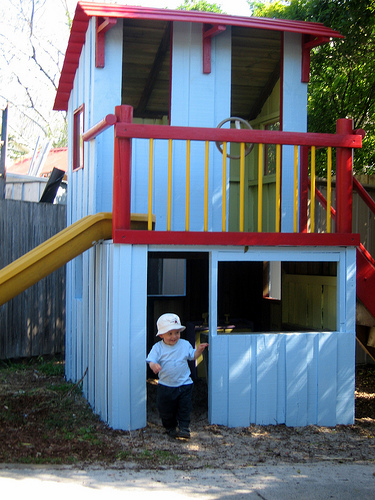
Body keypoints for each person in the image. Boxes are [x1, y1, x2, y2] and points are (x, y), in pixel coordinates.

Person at [146, 313, 209, 439]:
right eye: (170, 334)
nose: (174, 337)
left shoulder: (184, 344)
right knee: (166, 410)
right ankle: (170, 428)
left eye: (177, 333)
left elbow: (192, 356)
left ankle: (184, 428)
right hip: (166, 386)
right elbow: (151, 360)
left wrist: (199, 351)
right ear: (161, 335)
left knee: (184, 408)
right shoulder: (158, 348)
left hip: (184, 384)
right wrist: (154, 366)